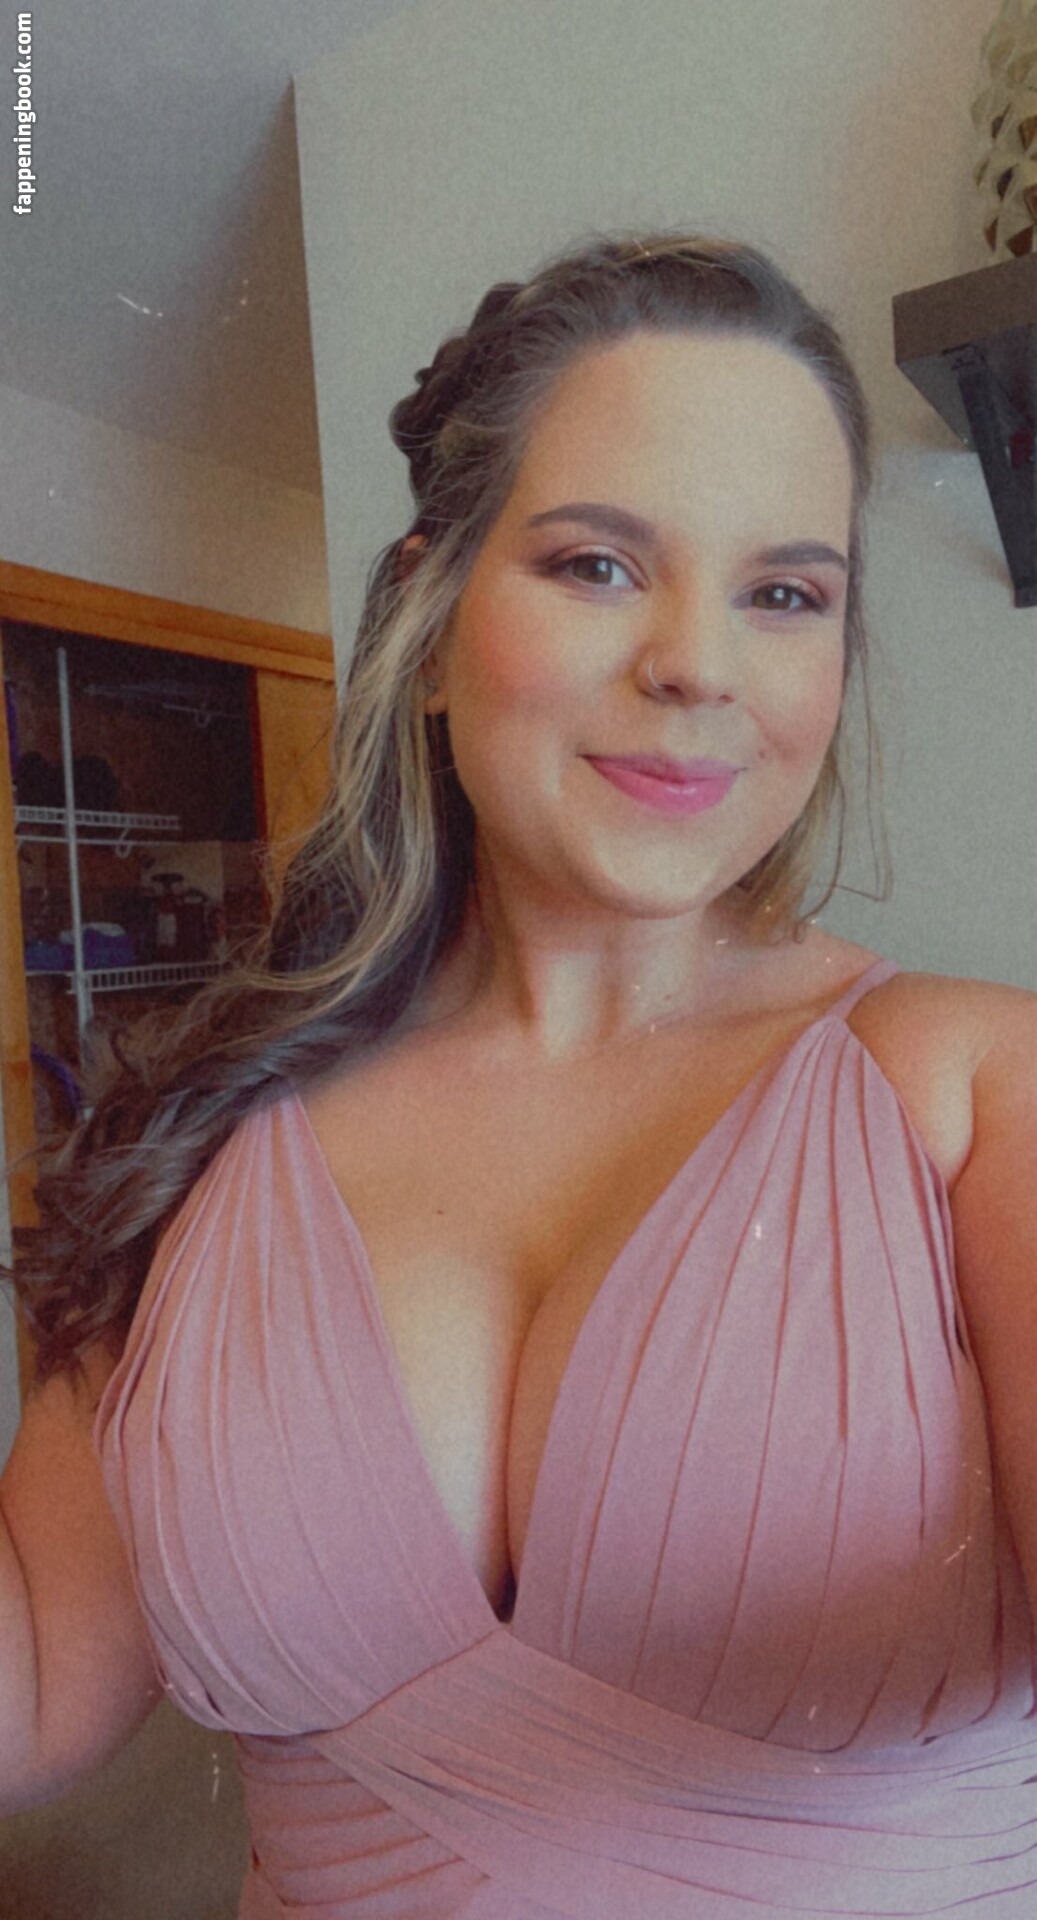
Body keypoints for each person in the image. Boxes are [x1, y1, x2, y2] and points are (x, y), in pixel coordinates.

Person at [1, 228, 1036, 1918]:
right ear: (427, 616)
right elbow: (40, 1672)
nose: (697, 660)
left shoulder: (976, 1095)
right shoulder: (203, 1138)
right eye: (598, 564)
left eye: (784, 593)